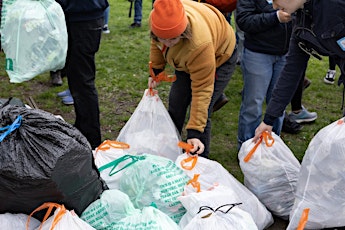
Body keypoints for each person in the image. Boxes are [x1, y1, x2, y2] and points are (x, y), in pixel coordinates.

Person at [148, 0, 237, 157]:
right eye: (164, 39)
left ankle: (199, 159)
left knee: (204, 107)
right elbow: (156, 46)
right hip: (185, 60)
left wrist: (194, 132)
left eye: (173, 39)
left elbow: (202, 89)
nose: (168, 44)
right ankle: (170, 149)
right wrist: (155, 72)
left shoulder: (199, 44)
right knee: (177, 101)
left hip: (219, 56)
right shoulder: (157, 22)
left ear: (184, 30)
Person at [254, 0, 345, 142]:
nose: (274, 7)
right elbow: (291, 70)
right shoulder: (301, 18)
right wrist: (269, 119)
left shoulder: (335, 6)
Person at [236, 0, 292, 148]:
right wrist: (275, 17)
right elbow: (244, 20)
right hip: (258, 52)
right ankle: (247, 146)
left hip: (285, 54)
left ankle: (272, 145)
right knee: (253, 102)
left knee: (278, 102)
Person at [55, 0, 109, 149]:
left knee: (83, 80)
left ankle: (92, 138)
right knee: (76, 77)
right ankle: (82, 126)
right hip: (77, 15)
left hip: (84, 17)